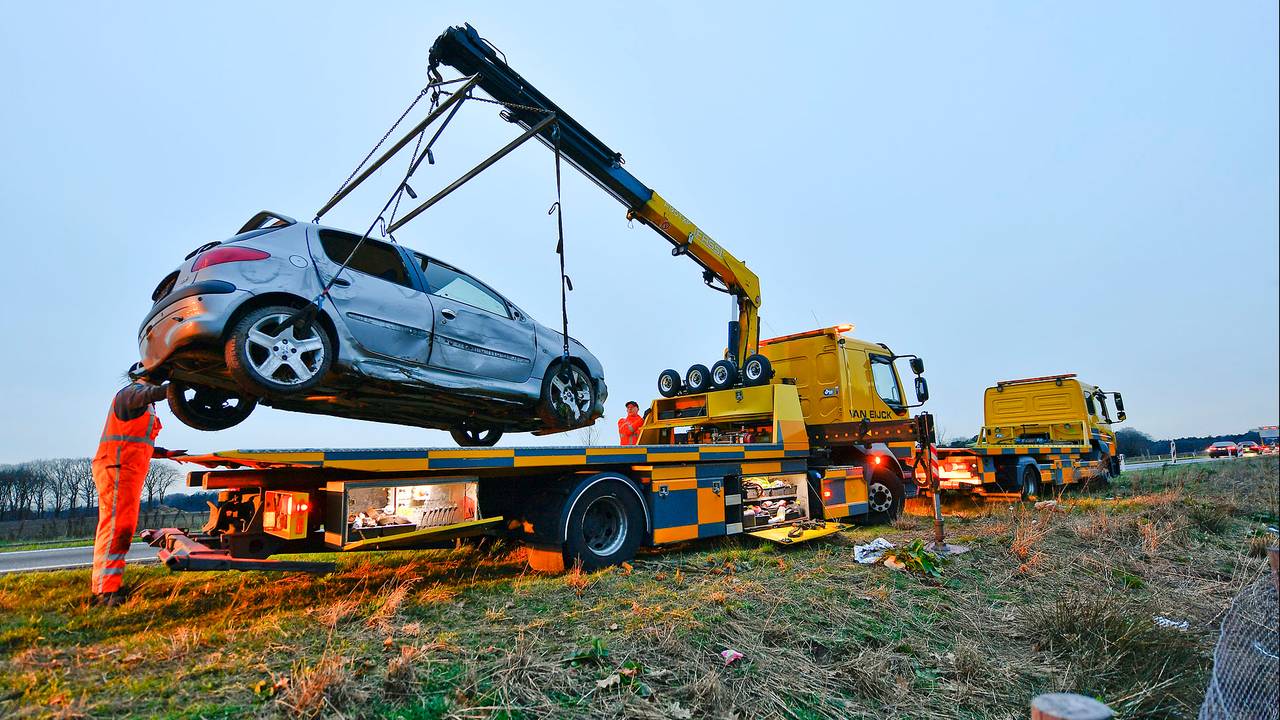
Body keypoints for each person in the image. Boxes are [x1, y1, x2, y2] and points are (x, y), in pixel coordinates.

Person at [90, 363, 179, 606]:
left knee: (119, 527)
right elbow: (154, 393)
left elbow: (135, 440)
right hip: (117, 468)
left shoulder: (143, 402)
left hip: (125, 469)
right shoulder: (131, 393)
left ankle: (106, 587)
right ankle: (106, 591)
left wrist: (164, 453)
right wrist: (180, 387)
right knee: (116, 529)